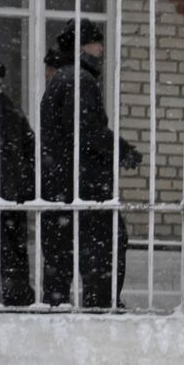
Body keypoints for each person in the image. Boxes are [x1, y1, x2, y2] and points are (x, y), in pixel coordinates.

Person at [40, 18, 142, 309]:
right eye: (98, 44)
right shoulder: (78, 80)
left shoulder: (65, 77)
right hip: (82, 184)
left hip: (63, 182)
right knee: (105, 247)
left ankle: (56, 309)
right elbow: (87, 131)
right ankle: (101, 306)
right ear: (84, 47)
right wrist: (122, 151)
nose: (101, 50)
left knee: (61, 253)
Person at [0, 61, 36, 306]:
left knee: (14, 251)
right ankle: (16, 296)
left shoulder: (10, 110)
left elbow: (29, 147)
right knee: (2, 251)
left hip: (11, 193)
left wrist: (25, 184)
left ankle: (19, 298)